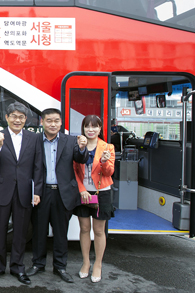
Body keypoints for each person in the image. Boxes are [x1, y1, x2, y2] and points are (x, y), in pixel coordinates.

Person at [27, 107, 87, 283]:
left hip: (63, 193)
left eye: (56, 121)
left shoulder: (70, 141)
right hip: (41, 192)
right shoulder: (35, 140)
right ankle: (38, 263)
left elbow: (80, 159)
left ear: (61, 123)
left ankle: (60, 266)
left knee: (61, 232)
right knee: (39, 231)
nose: (52, 124)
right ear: (42, 122)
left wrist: (82, 148)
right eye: (49, 121)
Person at [0, 102, 42, 285]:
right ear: (7, 118)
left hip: (25, 191)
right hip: (1, 190)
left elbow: (38, 167)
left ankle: (18, 267)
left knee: (20, 233)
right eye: (14, 116)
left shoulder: (33, 138)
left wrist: (37, 191)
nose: (17, 120)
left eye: (21, 117)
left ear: (26, 119)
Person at [73, 115, 115, 283]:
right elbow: (74, 170)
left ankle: (98, 264)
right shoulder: (78, 145)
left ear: (100, 128)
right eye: (87, 126)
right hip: (83, 193)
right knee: (84, 229)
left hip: (101, 192)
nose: (90, 130)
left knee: (98, 231)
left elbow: (109, 173)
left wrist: (104, 162)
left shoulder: (108, 147)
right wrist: (82, 189)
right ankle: (85, 263)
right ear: (83, 128)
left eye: (94, 126)